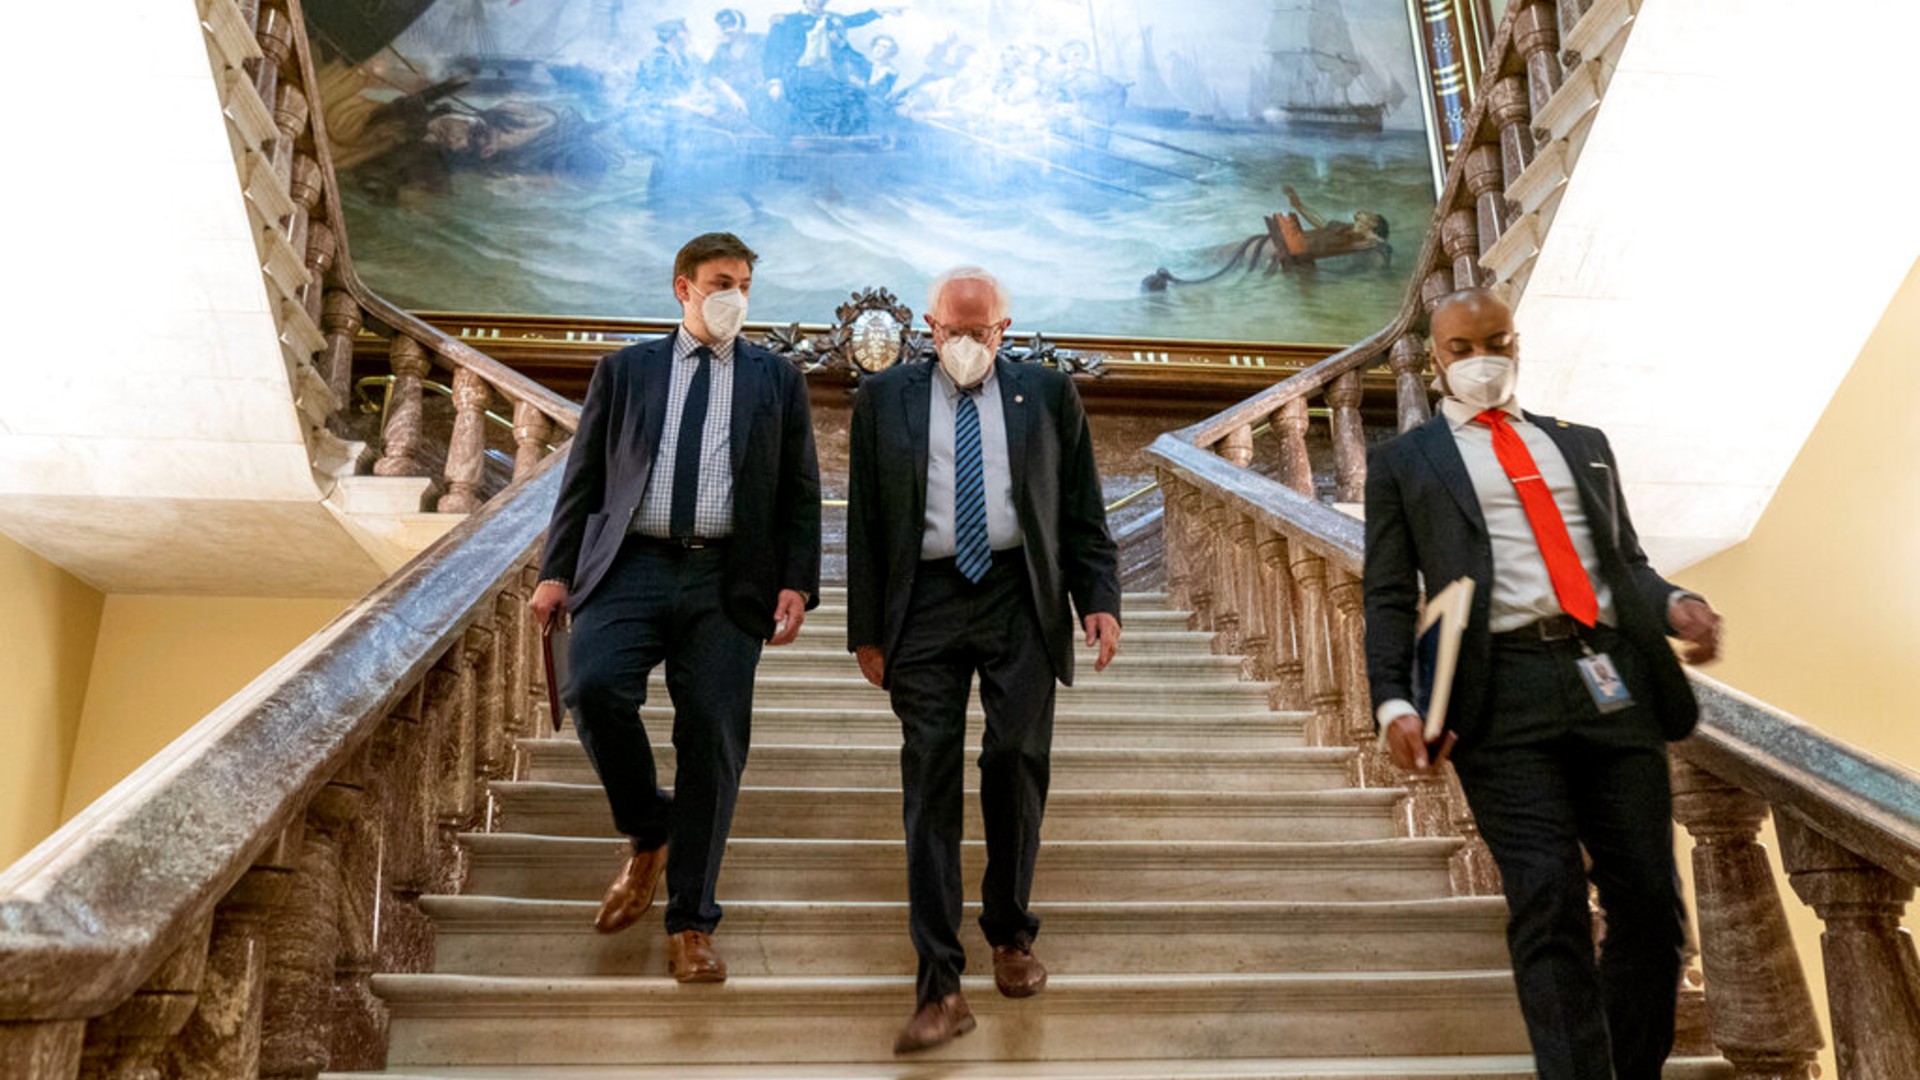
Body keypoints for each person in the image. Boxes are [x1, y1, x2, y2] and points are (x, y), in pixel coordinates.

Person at [1362, 288, 1725, 1080]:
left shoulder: (1582, 444)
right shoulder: (1406, 462)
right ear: (1436, 358)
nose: (1481, 358)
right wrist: (1395, 700)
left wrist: (1677, 605)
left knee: (1650, 910)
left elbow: (1625, 564)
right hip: (1500, 696)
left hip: (1610, 680)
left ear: (1516, 343)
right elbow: (1389, 593)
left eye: (1497, 341)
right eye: (1463, 347)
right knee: (1549, 895)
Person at [529, 233, 822, 984]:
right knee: (593, 688)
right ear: (682, 289)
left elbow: (798, 488)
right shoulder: (626, 370)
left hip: (729, 578)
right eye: (722, 281)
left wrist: (798, 581)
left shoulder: (776, 378)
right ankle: (648, 828)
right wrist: (555, 571)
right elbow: (585, 477)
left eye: (747, 284)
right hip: (629, 566)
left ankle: (692, 921)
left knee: (713, 741)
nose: (737, 296)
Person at [845, 267, 1122, 1055]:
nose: (963, 345)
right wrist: (867, 629)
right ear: (927, 327)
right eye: (949, 331)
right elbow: (866, 520)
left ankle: (1010, 933)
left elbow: (1081, 510)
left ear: (1006, 328)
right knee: (928, 771)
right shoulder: (884, 399)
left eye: (980, 332)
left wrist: (1098, 597)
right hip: (923, 602)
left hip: (1018, 596)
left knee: (1014, 757)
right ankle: (939, 981)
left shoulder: (1049, 394)